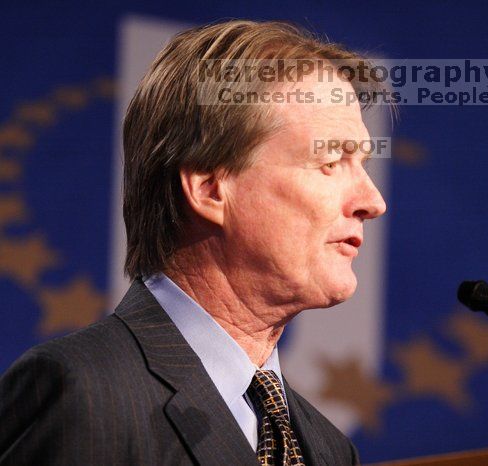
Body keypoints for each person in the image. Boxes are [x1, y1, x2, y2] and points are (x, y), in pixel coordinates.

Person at [0, 20, 386, 465]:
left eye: (364, 163)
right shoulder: (84, 395)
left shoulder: (330, 450)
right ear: (209, 189)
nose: (372, 201)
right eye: (331, 161)